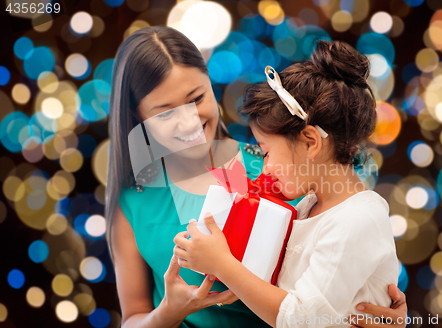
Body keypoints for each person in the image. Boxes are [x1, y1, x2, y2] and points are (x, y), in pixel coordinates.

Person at [106, 25, 408, 328]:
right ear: (138, 116)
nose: (188, 122)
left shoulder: (288, 169)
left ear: (210, 83)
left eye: (196, 99)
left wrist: (383, 308)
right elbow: (133, 317)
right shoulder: (134, 201)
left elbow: (346, 263)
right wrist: (170, 311)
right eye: (165, 113)